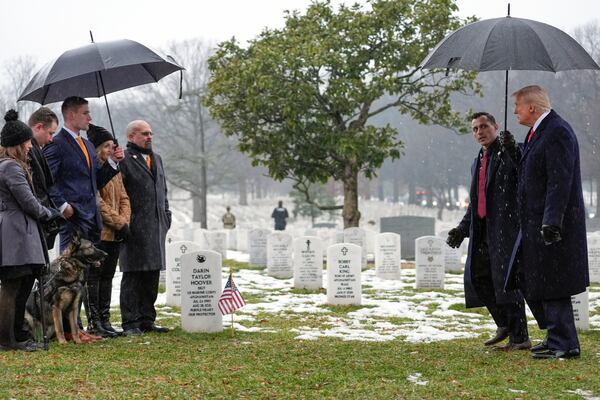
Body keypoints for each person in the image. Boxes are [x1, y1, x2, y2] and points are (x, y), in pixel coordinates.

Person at [506, 85, 589, 359]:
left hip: (552, 225)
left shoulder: (557, 132)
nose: (515, 111)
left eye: (517, 105)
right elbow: (536, 168)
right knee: (539, 280)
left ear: (532, 107)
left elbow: (559, 180)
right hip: (536, 222)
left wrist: (552, 221)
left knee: (553, 282)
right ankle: (556, 336)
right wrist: (514, 149)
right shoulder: (539, 132)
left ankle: (565, 343)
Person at [43, 96, 124, 343]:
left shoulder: (88, 145)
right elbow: (48, 180)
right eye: (86, 113)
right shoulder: (57, 145)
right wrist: (63, 205)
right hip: (71, 217)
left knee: (86, 275)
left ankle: (80, 327)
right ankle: (70, 329)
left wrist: (112, 162)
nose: (90, 118)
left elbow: (94, 182)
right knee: (71, 273)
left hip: (91, 217)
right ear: (72, 115)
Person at [446, 112, 530, 351]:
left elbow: (524, 167)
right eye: (475, 129)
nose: (479, 132)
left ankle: (520, 337)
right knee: (478, 278)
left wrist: (512, 147)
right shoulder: (478, 161)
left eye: (484, 126)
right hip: (482, 230)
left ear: (496, 126)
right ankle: (504, 323)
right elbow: (476, 201)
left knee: (507, 284)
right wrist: (462, 229)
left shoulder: (510, 153)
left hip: (506, 228)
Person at [0, 110, 62, 352]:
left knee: (22, 283)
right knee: (13, 286)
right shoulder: (11, 168)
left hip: (19, 231)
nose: (29, 147)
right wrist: (49, 213)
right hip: (16, 233)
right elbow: (28, 201)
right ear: (18, 144)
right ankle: (7, 339)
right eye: (26, 142)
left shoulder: (11, 166)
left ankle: (17, 335)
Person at [118, 120, 171, 335]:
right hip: (134, 227)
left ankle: (147, 319)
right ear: (131, 137)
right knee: (133, 276)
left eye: (151, 133)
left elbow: (163, 192)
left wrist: (167, 217)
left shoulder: (156, 159)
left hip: (157, 226)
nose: (149, 137)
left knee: (152, 276)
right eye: (144, 134)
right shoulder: (124, 160)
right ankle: (130, 322)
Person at [86, 124, 131, 337]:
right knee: (95, 277)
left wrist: (124, 222)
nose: (109, 150)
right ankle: (94, 321)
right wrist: (119, 223)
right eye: (105, 146)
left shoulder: (115, 170)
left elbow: (124, 197)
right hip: (102, 231)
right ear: (96, 149)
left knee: (108, 276)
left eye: (112, 146)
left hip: (115, 233)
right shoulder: (95, 169)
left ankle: (105, 319)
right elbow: (98, 202)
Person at [27, 107, 59, 249]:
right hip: (35, 220)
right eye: (50, 133)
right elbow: (35, 189)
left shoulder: (35, 149)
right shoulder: (28, 151)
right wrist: (47, 213)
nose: (51, 139)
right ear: (39, 127)